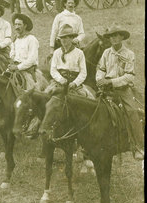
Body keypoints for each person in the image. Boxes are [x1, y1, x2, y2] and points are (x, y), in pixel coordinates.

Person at [96, 25, 144, 158]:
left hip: (122, 89)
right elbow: (101, 69)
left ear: (122, 37)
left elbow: (129, 75)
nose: (113, 38)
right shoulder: (106, 53)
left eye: (116, 35)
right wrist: (100, 80)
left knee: (132, 111)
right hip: (106, 88)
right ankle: (87, 149)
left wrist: (111, 81)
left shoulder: (129, 54)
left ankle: (139, 147)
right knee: (91, 108)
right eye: (111, 36)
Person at [45, 24, 92, 99]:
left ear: (71, 38)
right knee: (46, 97)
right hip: (59, 82)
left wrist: (75, 83)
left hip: (74, 82)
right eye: (61, 38)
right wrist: (61, 80)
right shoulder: (57, 52)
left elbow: (83, 72)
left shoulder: (79, 53)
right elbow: (53, 70)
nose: (63, 40)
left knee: (88, 99)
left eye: (66, 37)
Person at [7, 13, 39, 91]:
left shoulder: (31, 39)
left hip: (27, 70)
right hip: (15, 67)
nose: (17, 27)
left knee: (28, 93)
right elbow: (12, 53)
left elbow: (32, 59)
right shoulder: (15, 39)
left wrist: (18, 67)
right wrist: (12, 62)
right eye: (15, 24)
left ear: (25, 26)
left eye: (19, 24)